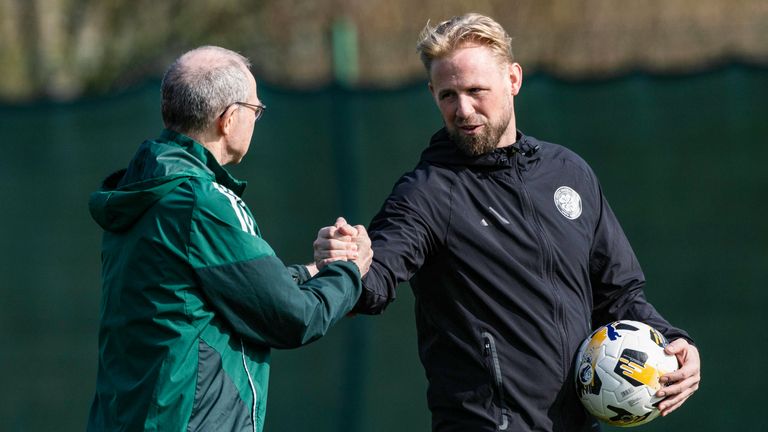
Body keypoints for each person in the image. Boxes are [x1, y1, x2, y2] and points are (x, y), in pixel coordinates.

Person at [314, 13, 700, 432]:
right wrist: (350, 265)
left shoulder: (569, 172)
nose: (463, 109)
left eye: (476, 91)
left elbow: (619, 294)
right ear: (432, 93)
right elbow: (376, 280)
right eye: (448, 95)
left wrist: (674, 341)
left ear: (513, 80)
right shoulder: (427, 192)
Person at [87, 46, 372, 431]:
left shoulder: (143, 190)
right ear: (229, 118)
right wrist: (350, 270)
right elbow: (293, 317)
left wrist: (315, 270)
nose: (256, 119)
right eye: (256, 110)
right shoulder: (203, 201)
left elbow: (221, 291)